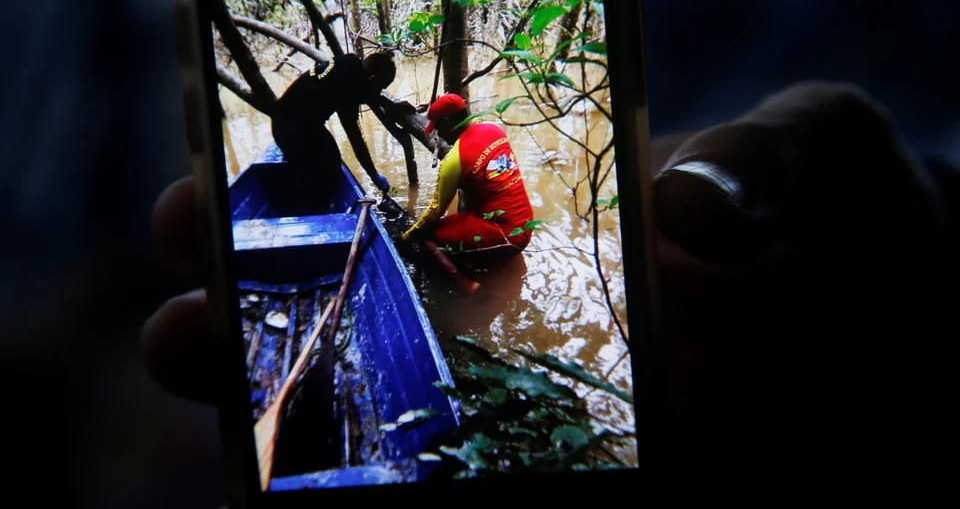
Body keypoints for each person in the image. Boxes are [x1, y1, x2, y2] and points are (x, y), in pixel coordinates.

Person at [143, 81, 956, 483]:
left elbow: (432, 208)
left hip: (496, 239)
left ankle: (470, 286)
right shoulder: (489, 132)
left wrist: (413, 234)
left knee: (433, 242)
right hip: (519, 232)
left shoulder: (460, 148)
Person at [400, 93, 535, 256]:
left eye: (437, 128)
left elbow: (434, 211)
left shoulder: (454, 158)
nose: (438, 135)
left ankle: (465, 281)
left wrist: (407, 236)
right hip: (527, 228)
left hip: (505, 236)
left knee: (429, 234)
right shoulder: (494, 128)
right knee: (461, 220)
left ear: (448, 123)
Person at [270, 50, 396, 193]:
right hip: (289, 129)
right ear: (372, 79)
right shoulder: (347, 89)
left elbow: (368, 94)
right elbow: (356, 139)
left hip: (295, 122)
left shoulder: (352, 63)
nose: (379, 93)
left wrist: (394, 105)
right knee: (329, 169)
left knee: (330, 158)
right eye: (380, 88)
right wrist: (374, 176)